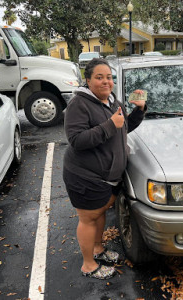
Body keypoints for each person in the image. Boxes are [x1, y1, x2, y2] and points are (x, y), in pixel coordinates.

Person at [63, 58, 146, 280]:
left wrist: (139, 110)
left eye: (108, 77)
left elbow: (123, 126)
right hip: (85, 177)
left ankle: (98, 249)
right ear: (88, 80)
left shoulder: (111, 101)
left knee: (99, 215)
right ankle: (88, 264)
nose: (105, 81)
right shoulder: (79, 104)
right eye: (99, 77)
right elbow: (76, 139)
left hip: (105, 178)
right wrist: (109, 125)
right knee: (88, 219)